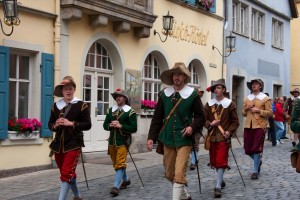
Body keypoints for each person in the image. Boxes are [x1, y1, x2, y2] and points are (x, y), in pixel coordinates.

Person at [146, 62, 205, 200]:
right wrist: (151, 138)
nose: (176, 77)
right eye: (174, 74)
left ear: (184, 77)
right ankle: (184, 195)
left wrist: (191, 127)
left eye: (179, 74)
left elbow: (201, 116)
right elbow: (157, 118)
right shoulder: (164, 94)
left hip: (184, 139)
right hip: (167, 138)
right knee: (170, 174)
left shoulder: (193, 95)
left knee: (179, 174)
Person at [48, 76, 92, 200]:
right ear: (62, 91)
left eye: (70, 88)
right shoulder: (55, 106)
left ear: (74, 90)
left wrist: (71, 123)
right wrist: (55, 125)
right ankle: (77, 196)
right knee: (65, 172)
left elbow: (88, 124)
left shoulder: (81, 105)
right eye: (66, 89)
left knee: (67, 172)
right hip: (58, 146)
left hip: (74, 143)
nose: (68, 91)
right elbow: (50, 123)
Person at [203, 79, 239, 198]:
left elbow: (235, 122)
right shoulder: (208, 105)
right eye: (215, 88)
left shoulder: (230, 104)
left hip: (223, 137)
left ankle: (218, 186)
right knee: (214, 161)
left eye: (218, 88)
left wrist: (229, 131)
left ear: (223, 90)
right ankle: (220, 179)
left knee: (220, 161)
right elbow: (203, 119)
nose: (216, 90)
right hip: (212, 137)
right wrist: (211, 124)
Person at [103, 88, 137, 197]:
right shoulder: (110, 110)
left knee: (120, 163)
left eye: (120, 96)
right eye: (116, 96)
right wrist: (110, 125)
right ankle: (126, 179)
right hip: (112, 141)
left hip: (123, 141)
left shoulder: (130, 112)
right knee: (115, 163)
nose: (118, 98)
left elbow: (133, 128)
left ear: (125, 98)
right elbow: (105, 125)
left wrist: (121, 126)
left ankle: (116, 186)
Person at [242, 79, 273, 180]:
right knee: (247, 149)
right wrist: (247, 108)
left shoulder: (265, 98)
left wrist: (259, 110)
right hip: (248, 126)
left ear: (260, 86)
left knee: (256, 149)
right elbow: (242, 113)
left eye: (256, 84)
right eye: (252, 84)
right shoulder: (247, 98)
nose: (254, 86)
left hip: (260, 126)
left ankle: (255, 171)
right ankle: (258, 161)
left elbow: (270, 113)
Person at [189, 90, 205, 171]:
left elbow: (202, 117)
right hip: (187, 127)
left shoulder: (200, 105)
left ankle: (193, 162)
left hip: (197, 128)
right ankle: (195, 159)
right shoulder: (188, 103)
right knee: (188, 145)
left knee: (195, 144)